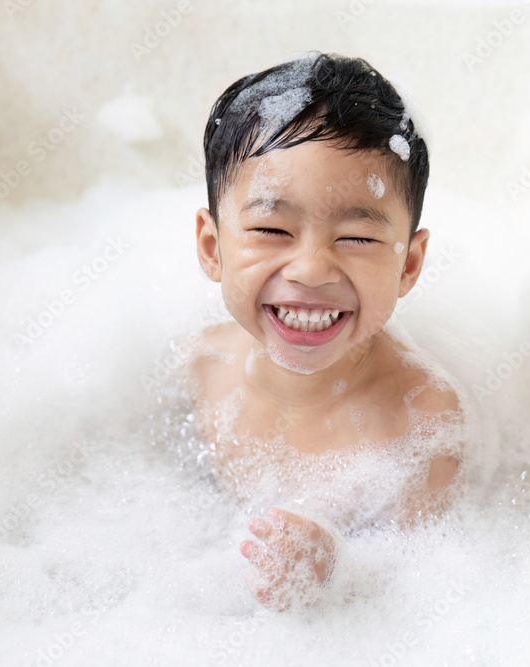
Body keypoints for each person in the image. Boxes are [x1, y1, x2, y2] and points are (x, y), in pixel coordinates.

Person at [190, 52, 463, 612]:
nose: (311, 269)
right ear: (213, 248)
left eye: (358, 238)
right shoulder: (204, 365)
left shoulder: (423, 423)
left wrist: (343, 577)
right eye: (270, 229)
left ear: (409, 264)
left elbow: (433, 583)